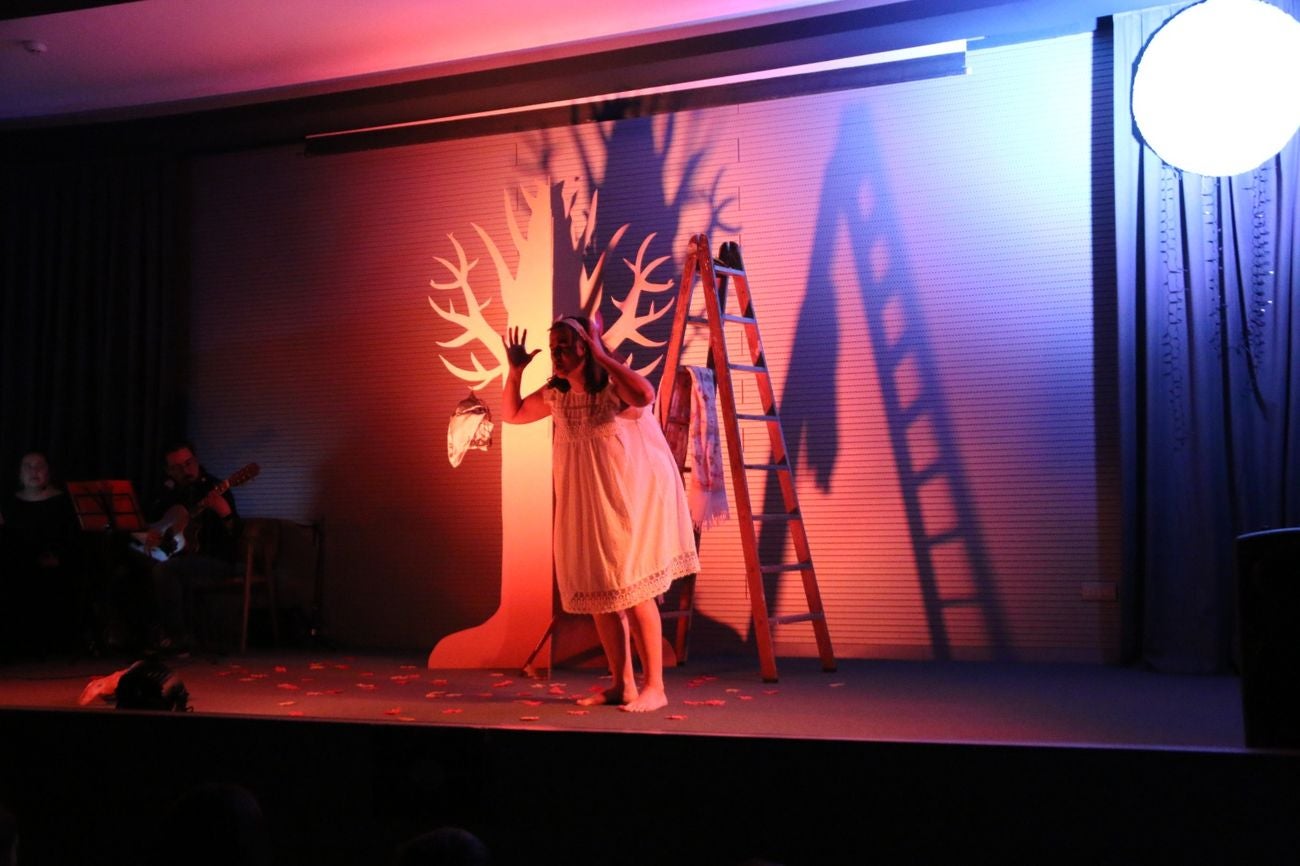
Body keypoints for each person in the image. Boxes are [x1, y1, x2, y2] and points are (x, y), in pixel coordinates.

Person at [502, 314, 700, 712]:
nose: (556, 352)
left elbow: (644, 395)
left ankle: (655, 687)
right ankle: (621, 684)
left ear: (585, 346)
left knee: (635, 591)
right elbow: (513, 413)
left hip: (623, 503)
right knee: (601, 597)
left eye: (565, 344)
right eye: (553, 344)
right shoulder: (557, 394)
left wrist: (601, 353)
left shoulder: (612, 390)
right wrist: (515, 371)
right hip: (584, 506)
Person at [138, 441, 243, 651]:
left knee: (165, 570)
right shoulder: (166, 494)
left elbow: (237, 534)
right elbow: (150, 523)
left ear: (196, 460)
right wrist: (149, 534)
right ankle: (140, 636)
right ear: (168, 471)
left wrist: (224, 512)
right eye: (177, 468)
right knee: (133, 562)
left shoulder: (215, 488)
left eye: (189, 463)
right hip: (178, 556)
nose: (186, 471)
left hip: (215, 559)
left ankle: (178, 637)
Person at [0, 451, 85, 658]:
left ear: (48, 471)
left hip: (56, 563)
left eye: (39, 466)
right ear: (19, 473)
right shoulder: (9, 504)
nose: (34, 471)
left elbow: (73, 539)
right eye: (28, 466)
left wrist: (60, 558)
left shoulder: (64, 503)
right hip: (18, 565)